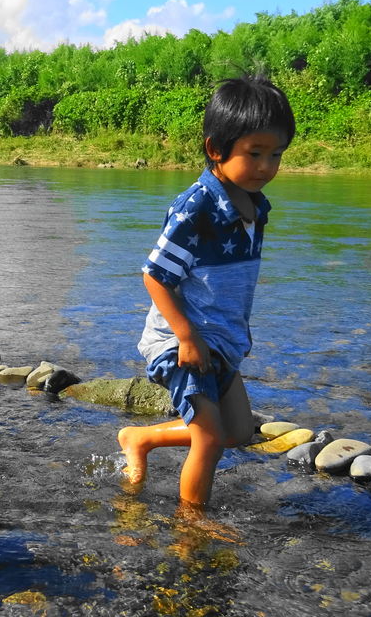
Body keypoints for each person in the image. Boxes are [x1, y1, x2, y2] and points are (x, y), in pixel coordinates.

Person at [118, 75, 295, 511]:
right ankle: (192, 528)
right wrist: (187, 337)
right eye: (254, 153)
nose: (266, 167)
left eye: (276, 155)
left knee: (238, 432)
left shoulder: (255, 205)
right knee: (210, 440)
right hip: (182, 342)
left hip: (221, 341)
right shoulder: (196, 208)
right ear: (216, 149)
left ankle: (140, 438)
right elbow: (155, 276)